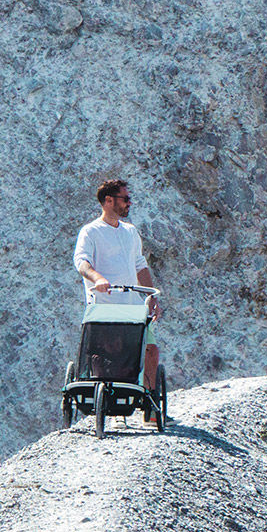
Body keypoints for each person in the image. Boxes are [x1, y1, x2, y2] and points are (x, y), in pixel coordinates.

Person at [73, 178, 161, 419]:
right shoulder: (91, 231)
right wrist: (97, 278)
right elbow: (81, 262)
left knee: (150, 350)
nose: (129, 203)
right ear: (108, 201)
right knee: (106, 353)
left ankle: (152, 406)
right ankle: (103, 403)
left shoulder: (130, 232)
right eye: (125, 199)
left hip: (132, 306)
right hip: (104, 307)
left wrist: (151, 296)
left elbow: (140, 265)